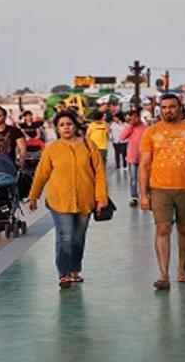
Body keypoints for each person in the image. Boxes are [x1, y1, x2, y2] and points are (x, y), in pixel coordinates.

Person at [28, 110, 108, 289]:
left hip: (85, 199)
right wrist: (33, 196)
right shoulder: (52, 149)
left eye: (69, 124)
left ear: (75, 126)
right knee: (65, 236)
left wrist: (101, 197)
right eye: (62, 125)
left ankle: (74, 270)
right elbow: (41, 175)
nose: (66, 128)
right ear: (57, 128)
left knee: (78, 238)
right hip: (59, 200)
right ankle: (63, 274)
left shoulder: (89, 145)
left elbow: (100, 173)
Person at [140, 94, 185, 289]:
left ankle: (181, 269)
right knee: (163, 228)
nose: (167, 110)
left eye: (172, 107)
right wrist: (144, 194)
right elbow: (144, 165)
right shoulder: (151, 133)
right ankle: (163, 274)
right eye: (163, 107)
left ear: (179, 108)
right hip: (160, 188)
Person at [119, 110, 148, 207]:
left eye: (136, 117)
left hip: (144, 157)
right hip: (132, 157)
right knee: (133, 179)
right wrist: (130, 126)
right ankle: (134, 197)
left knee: (145, 177)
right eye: (132, 118)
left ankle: (146, 195)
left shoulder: (145, 128)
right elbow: (122, 137)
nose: (134, 119)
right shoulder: (130, 128)